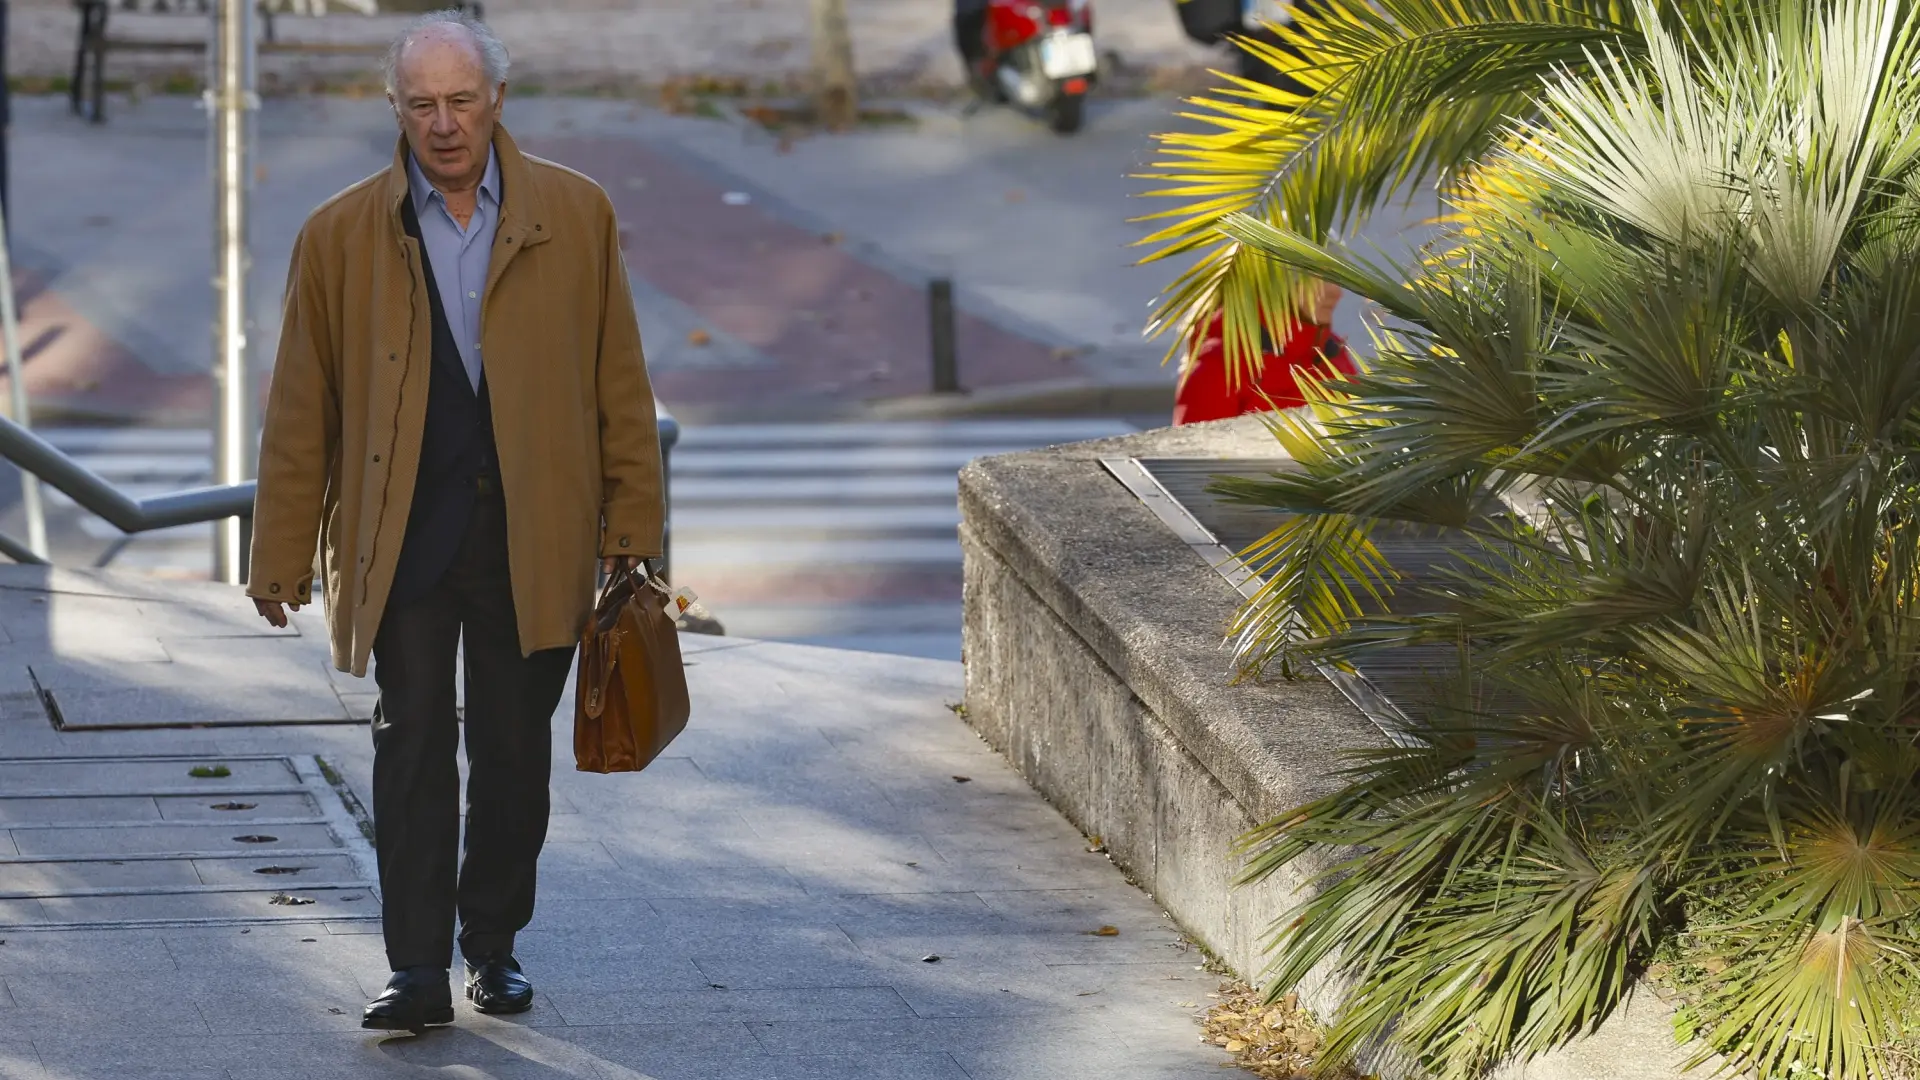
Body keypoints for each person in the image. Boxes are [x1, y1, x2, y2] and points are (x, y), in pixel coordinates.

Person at [245, 10, 664, 1032]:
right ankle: (417, 967)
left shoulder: (579, 213)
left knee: (516, 754)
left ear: (497, 103)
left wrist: (633, 531)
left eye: (460, 101)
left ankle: (494, 944)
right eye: (421, 104)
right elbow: (304, 406)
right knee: (412, 741)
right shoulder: (337, 234)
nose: (442, 124)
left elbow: (620, 381)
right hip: (404, 542)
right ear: (396, 110)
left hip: (538, 534)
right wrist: (281, 552)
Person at [1172, 279, 1355, 424]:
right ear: (1277, 282)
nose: (1337, 292)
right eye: (1321, 278)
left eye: (1336, 277)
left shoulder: (1333, 351)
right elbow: (1194, 463)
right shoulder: (1221, 364)